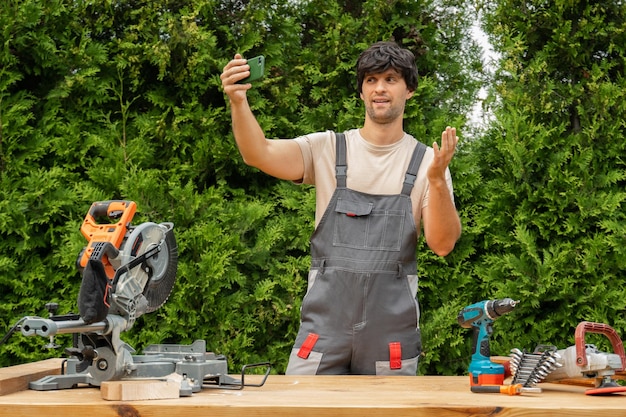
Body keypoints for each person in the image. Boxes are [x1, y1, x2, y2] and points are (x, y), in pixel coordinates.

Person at [220, 41, 461, 375]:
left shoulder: (428, 164)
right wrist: (238, 100)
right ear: (361, 92)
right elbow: (258, 153)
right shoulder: (328, 149)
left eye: (391, 79)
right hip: (322, 334)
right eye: (371, 80)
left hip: (390, 340)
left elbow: (442, 244)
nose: (380, 88)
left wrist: (436, 181)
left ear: (410, 91)